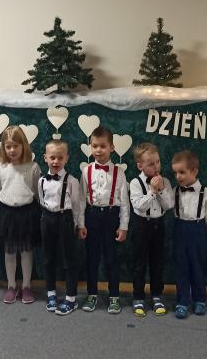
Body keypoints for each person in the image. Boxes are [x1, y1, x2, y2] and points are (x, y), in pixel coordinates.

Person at [80, 126, 130, 314]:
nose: (98, 150)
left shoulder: (119, 172)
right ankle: (92, 294)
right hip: (92, 217)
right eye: (94, 146)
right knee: (92, 259)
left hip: (111, 217)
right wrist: (80, 224)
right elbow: (81, 201)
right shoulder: (86, 171)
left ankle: (114, 296)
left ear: (112, 148)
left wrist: (123, 226)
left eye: (102, 146)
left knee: (111, 259)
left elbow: (124, 202)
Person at [0, 126, 42, 305]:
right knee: (9, 251)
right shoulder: (0, 168)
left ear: (24, 146)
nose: (12, 150)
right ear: (3, 148)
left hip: (27, 213)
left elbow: (37, 191)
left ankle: (26, 286)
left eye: (16, 146)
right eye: (8, 146)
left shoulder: (33, 166)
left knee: (26, 251)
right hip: (6, 213)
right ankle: (11, 285)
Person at [129, 143, 174, 318]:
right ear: (140, 166)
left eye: (158, 162)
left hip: (158, 225)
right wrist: (152, 191)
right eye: (150, 164)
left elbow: (169, 205)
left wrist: (161, 189)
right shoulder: (135, 183)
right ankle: (138, 297)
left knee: (157, 262)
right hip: (141, 225)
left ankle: (157, 296)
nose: (156, 167)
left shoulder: (166, 182)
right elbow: (139, 206)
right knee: (139, 263)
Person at [38, 139, 83, 315]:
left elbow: (77, 206)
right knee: (48, 258)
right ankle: (51, 293)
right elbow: (42, 201)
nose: (56, 161)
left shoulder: (72, 181)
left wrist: (78, 225)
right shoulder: (42, 180)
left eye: (60, 157)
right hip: (47, 218)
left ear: (66, 158)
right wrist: (45, 219)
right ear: (45, 158)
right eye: (52, 157)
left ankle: (71, 298)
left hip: (65, 219)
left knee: (69, 259)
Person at [170, 150, 207, 319]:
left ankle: (200, 299)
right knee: (181, 266)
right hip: (179, 228)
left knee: (198, 266)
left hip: (198, 230)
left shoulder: (206, 192)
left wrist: (201, 231)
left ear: (194, 171)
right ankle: (182, 300)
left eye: (182, 172)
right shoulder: (174, 190)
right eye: (175, 173)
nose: (178, 176)